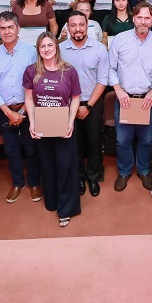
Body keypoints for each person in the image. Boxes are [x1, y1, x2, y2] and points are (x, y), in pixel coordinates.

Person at [108, 2, 152, 192]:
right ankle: (124, 171)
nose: (143, 22)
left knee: (147, 139)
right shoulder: (119, 40)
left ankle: (143, 169)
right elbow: (111, 69)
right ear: (133, 18)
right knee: (122, 139)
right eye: (139, 17)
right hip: (125, 98)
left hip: (148, 100)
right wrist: (118, 89)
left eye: (147, 18)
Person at [23, 32, 81, 227]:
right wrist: (31, 122)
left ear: (56, 47)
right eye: (42, 46)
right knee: (47, 165)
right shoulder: (31, 71)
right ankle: (53, 201)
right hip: (42, 125)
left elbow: (75, 98)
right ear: (38, 50)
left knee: (65, 166)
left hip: (63, 124)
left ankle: (66, 209)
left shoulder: (69, 71)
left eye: (50, 45)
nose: (47, 49)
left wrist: (71, 122)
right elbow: (29, 98)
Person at [0, 12, 42, 203]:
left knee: (32, 147)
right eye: (3, 28)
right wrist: (9, 113)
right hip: (5, 110)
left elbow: (37, 82)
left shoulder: (31, 52)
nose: (7, 31)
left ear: (18, 29)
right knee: (11, 149)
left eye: (10, 27)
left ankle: (34, 182)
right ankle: (18, 182)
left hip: (28, 108)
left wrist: (23, 111)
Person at [61, 11, 109, 198]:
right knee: (74, 142)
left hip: (92, 102)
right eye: (73, 25)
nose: (78, 29)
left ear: (87, 25)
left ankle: (94, 177)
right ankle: (79, 176)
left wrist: (87, 106)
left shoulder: (99, 49)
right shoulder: (60, 49)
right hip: (67, 105)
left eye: (81, 24)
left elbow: (102, 80)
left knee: (94, 142)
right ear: (67, 27)